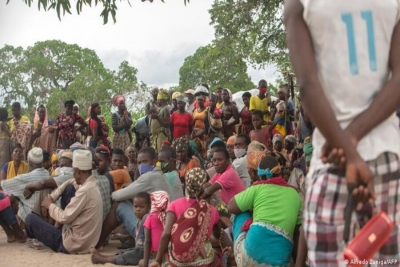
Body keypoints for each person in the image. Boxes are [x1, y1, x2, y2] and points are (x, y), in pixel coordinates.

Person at [284, 0, 400, 264]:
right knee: (387, 259)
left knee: (329, 259)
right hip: (388, 154)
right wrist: (353, 138)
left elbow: (308, 85)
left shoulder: (298, 3)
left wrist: (348, 149)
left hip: (331, 158)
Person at [227, 155, 306, 266]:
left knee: (241, 212)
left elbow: (230, 206)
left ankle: (233, 250)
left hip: (248, 257)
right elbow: (297, 233)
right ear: (280, 173)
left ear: (260, 176)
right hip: (280, 261)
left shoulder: (257, 188)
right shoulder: (295, 194)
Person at [25, 149, 103, 254]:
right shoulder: (92, 184)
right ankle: (49, 233)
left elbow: (64, 217)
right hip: (87, 241)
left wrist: (50, 205)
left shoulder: (84, 192)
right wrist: (53, 196)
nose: (72, 174)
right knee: (70, 188)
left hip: (72, 244)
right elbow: (71, 181)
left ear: (78, 171)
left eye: (73, 171)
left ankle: (33, 238)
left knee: (30, 219)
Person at [95, 147, 172, 249]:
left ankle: (98, 242)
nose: (141, 166)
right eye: (139, 163)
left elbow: (117, 196)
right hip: (162, 229)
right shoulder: (162, 176)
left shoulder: (149, 177)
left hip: (150, 231)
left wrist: (111, 194)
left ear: (154, 161)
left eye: (144, 161)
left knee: (119, 205)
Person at [150, 168, 222, 267]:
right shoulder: (211, 210)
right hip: (203, 259)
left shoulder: (174, 205)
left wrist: (157, 260)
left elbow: (166, 234)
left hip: (177, 259)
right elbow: (218, 234)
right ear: (203, 187)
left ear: (186, 185)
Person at [91, 192, 151, 265]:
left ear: (149, 208)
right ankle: (104, 257)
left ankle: (103, 260)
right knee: (126, 252)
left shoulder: (147, 218)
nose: (138, 209)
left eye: (141, 207)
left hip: (145, 252)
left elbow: (148, 240)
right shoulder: (139, 219)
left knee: (128, 255)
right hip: (140, 249)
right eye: (135, 206)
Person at [1, 147, 50, 222]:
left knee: (9, 198)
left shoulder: (24, 177)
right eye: (15, 151)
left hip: (30, 216)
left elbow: (3, 184)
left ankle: (15, 230)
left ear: (29, 161)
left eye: (20, 152)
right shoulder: (47, 174)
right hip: (46, 215)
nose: (17, 153)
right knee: (16, 195)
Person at [140, 191, 170, 267]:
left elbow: (147, 242)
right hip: (170, 258)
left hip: (157, 259)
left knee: (141, 262)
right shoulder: (170, 217)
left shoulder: (150, 217)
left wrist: (145, 265)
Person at [150, 89, 171, 153]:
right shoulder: (160, 109)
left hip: (161, 135)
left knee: (161, 152)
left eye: (158, 99)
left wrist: (157, 117)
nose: (157, 101)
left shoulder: (165, 109)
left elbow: (167, 124)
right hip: (156, 136)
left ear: (160, 100)